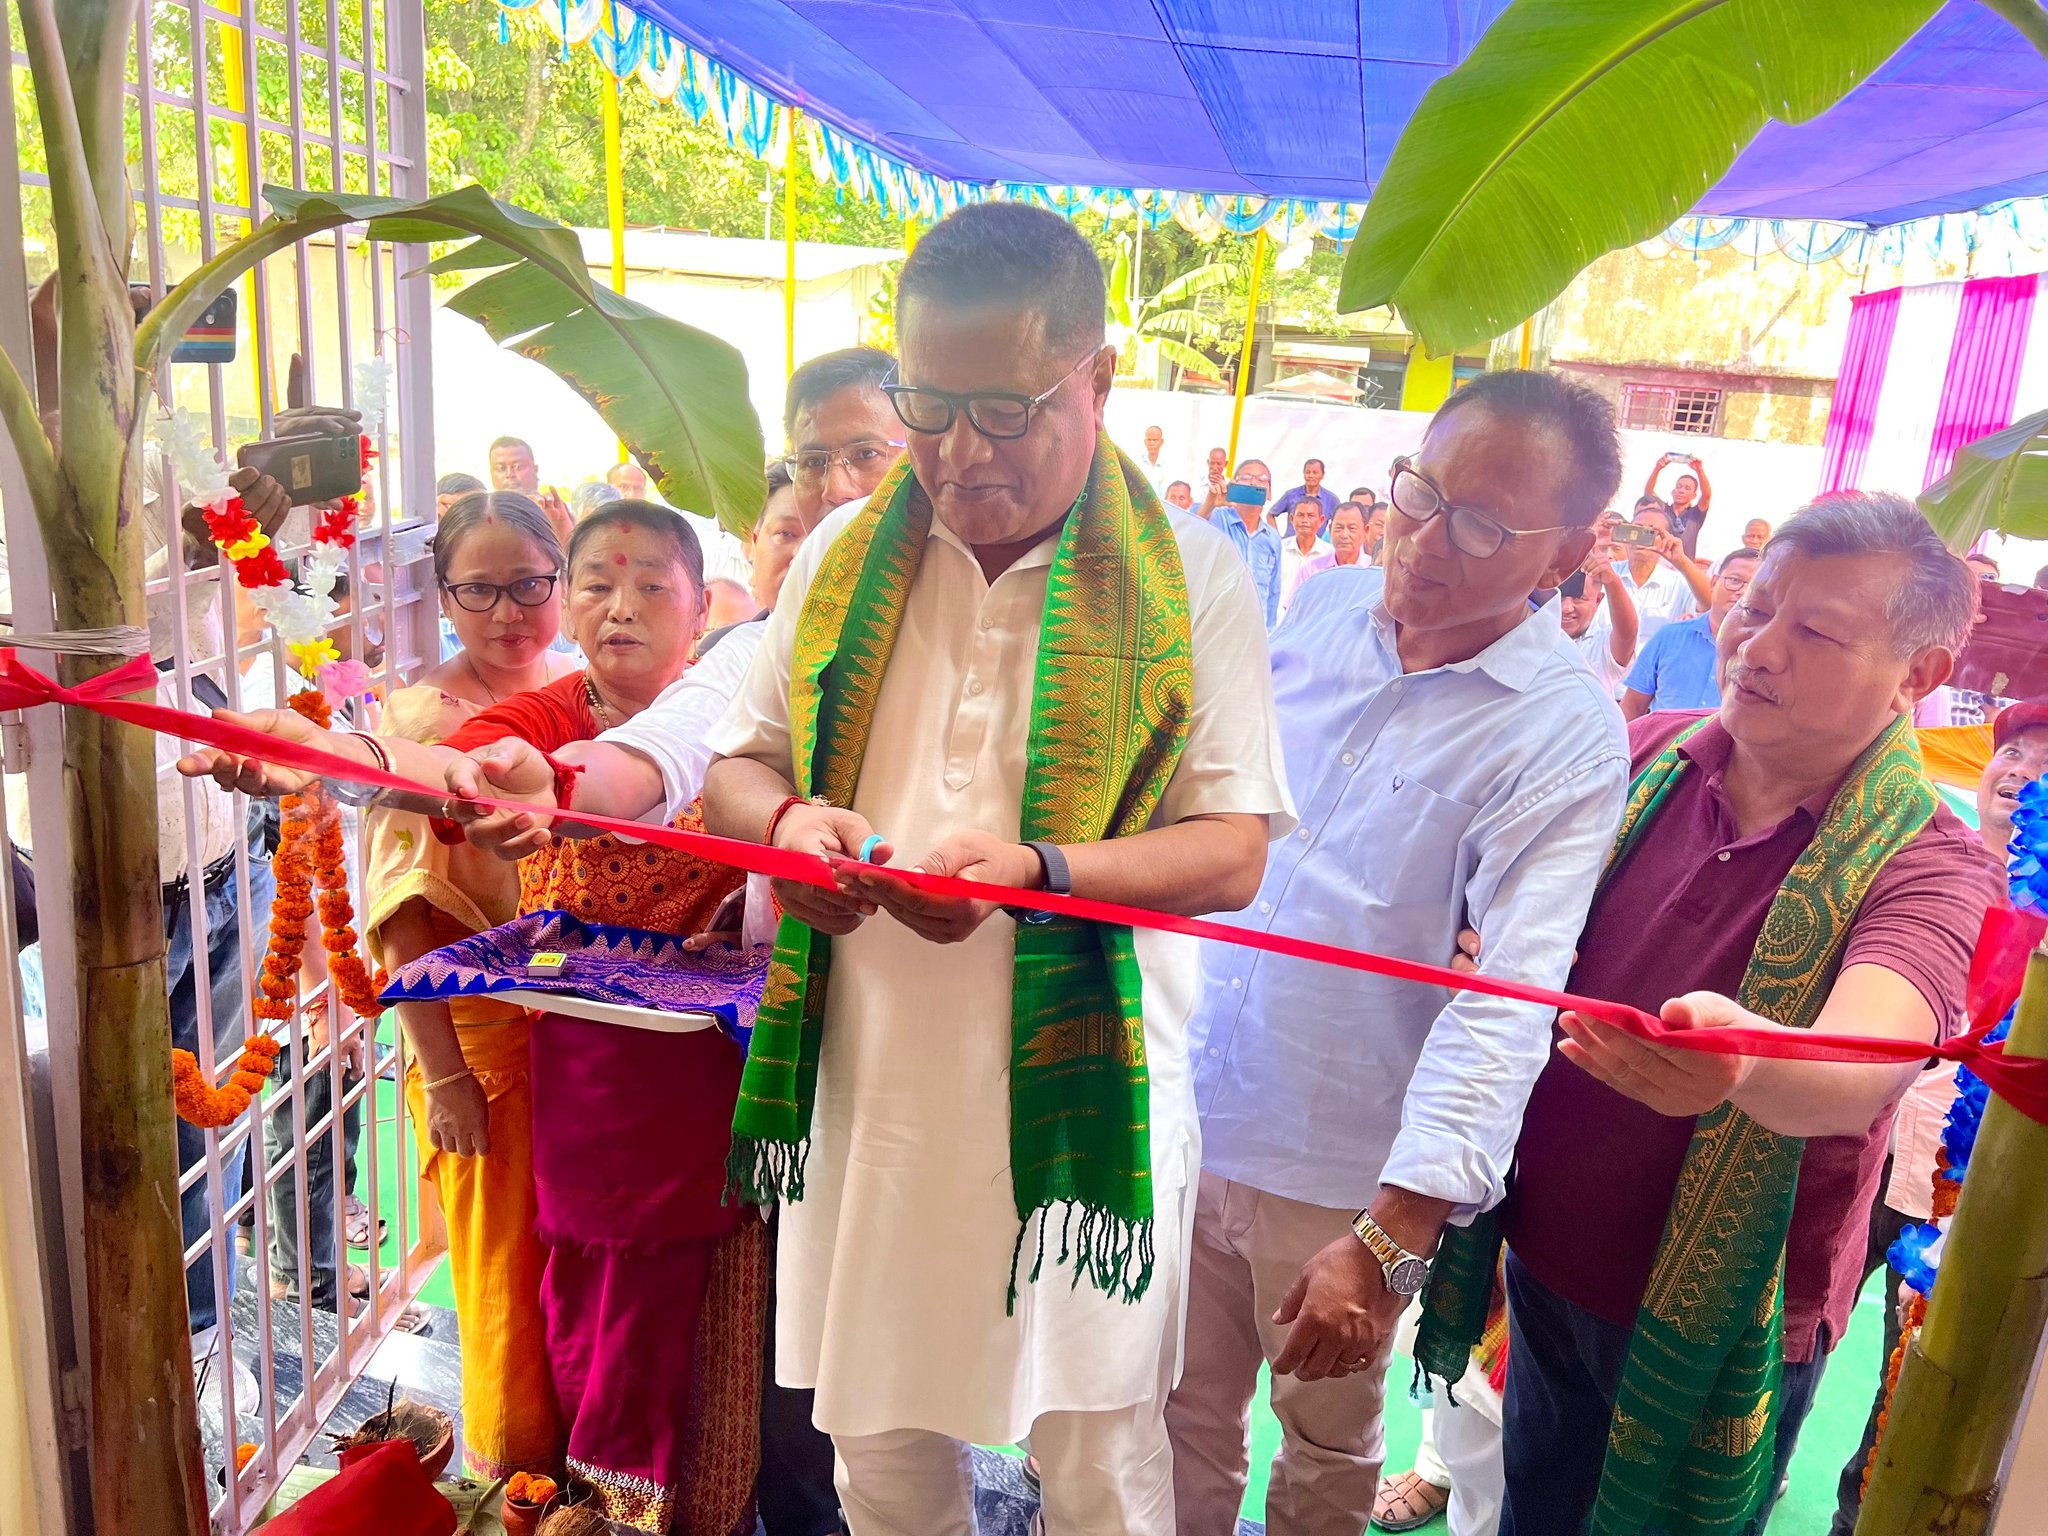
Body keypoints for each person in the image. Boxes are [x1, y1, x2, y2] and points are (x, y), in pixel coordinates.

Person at [699, 200, 1288, 1535]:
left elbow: (1235, 850)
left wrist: (1035, 871)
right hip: (872, 1093)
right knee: (880, 1450)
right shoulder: (848, 553)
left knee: (1098, 1469)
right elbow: (740, 766)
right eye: (927, 404)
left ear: (1097, 381)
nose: (959, 454)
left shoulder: (1193, 579)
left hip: (1080, 1115)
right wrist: (789, 830)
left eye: (1007, 411)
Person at [1466, 491, 1999, 1536]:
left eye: (1816, 632)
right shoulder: (1641, 755)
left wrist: (1748, 1066)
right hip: (1540, 1260)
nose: (1757, 648)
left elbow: (1862, 1062)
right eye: (1753, 609)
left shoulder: (1931, 861)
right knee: (1533, 1506)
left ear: (1918, 675)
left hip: (1726, 1325)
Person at [1166, 371, 1630, 1536]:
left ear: (1569, 549)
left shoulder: (1561, 732)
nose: (1424, 542)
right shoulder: (1320, 611)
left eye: (1480, 526)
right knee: (1175, 1411)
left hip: (1341, 1169)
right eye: (1419, 495)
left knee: (1325, 1440)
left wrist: (1392, 1236)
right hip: (1186, 1099)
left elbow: (1505, 996)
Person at [1825, 696, 2044, 1536]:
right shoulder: (1919, 855)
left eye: (2044, 761)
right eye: (2012, 752)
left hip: (1968, 1200)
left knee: (1909, 1393)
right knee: (1785, 1349)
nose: (2020, 770)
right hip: (1860, 1153)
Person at [1619, 548, 1760, 718]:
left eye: (1755, 586)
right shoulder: (1669, 637)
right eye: (1735, 580)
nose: (1743, 592)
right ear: (1714, 582)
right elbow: (1632, 706)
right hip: (1663, 743)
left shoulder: (1760, 654)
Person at [1199, 457, 1284, 626]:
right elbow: (1192, 533)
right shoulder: (1215, 518)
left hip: (1254, 629)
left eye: (1261, 479)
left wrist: (1270, 632)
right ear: (1233, 484)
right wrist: (1210, 504)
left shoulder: (1272, 537)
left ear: (1269, 493)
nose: (1253, 483)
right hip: (1216, 625)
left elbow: (1273, 591)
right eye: (1246, 478)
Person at [1614, 500, 1708, 644]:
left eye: (1650, 533)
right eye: (1637, 531)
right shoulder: (1608, 574)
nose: (1641, 540)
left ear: (1666, 538)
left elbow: (1709, 603)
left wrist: (1682, 561)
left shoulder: (1678, 584)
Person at [1557, 546, 1639, 699]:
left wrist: (1612, 582)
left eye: (1579, 598)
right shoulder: (1535, 636)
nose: (1566, 608)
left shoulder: (1602, 644)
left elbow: (1628, 633)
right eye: (1560, 597)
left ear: (1598, 600)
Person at [489, 434, 573, 545]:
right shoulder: (482, 515)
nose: (510, 474)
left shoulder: (556, 511)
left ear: (535, 469)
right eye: (501, 468)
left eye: (518, 466)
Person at [1294, 500, 1373, 593]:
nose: (1344, 535)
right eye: (1339, 528)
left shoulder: (1373, 570)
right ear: (1330, 529)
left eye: (1352, 528)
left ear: (1366, 530)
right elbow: (1294, 605)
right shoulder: (1311, 570)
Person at [1644, 451, 1711, 555]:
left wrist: (1699, 470)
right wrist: (1657, 468)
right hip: (1661, 561)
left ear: (1694, 496)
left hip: (1684, 566)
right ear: (1673, 492)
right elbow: (1648, 492)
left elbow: (1706, 496)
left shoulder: (1695, 515)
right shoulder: (1663, 509)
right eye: (1679, 487)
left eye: (1687, 488)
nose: (1681, 490)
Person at [1277, 497, 1332, 617]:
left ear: (1321, 520)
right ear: (1292, 519)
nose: (1304, 520)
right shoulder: (1278, 549)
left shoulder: (1329, 554)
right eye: (1300, 515)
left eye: (1311, 516)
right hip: (1279, 619)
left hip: (1314, 619)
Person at [1270, 457, 1339, 533]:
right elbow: (1270, 515)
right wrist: (1276, 538)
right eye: (1308, 472)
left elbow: (1341, 522)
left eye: (1315, 473)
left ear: (1322, 475)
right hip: (1291, 543)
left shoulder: (1331, 499)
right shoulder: (1291, 495)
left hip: (1316, 544)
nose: (1311, 476)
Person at [1137, 423, 1171, 494]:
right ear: (1145, 442)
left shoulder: (1168, 465)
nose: (1152, 443)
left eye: (1155, 440)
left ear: (1161, 442)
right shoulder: (1137, 464)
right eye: (1149, 440)